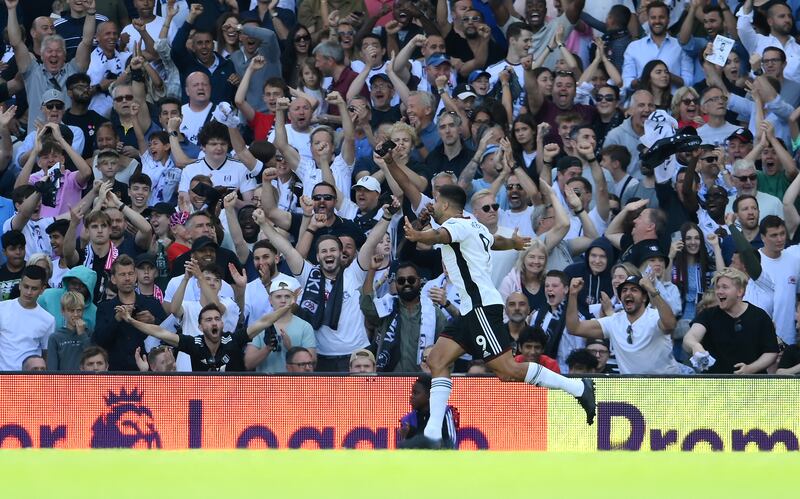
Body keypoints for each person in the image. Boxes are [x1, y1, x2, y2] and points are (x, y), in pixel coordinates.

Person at [399, 184, 595, 449]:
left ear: (445, 205)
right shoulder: (476, 226)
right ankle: (433, 436)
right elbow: (495, 241)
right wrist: (513, 243)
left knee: (508, 370)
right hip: (472, 310)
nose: (433, 204)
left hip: (481, 308)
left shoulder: (457, 225)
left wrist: (417, 234)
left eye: (435, 200)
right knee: (437, 359)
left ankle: (579, 388)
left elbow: (438, 236)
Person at [118, 302, 292, 372]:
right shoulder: (193, 343)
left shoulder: (233, 339)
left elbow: (263, 322)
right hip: (202, 401)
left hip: (233, 401)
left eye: (217, 319)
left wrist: (288, 306)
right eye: (209, 320)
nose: (214, 323)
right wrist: (132, 321)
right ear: (200, 327)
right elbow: (159, 332)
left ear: (222, 324)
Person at [566, 274, 684, 375]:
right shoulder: (614, 321)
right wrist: (572, 294)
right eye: (624, 290)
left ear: (644, 297)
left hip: (665, 386)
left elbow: (670, 325)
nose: (628, 293)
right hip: (631, 389)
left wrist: (652, 290)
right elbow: (574, 328)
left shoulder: (655, 316)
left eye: (634, 290)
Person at [683, 267, 779, 374]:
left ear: (740, 291)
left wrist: (751, 369)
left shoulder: (759, 316)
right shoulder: (708, 314)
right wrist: (695, 345)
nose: (719, 291)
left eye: (725, 287)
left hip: (751, 384)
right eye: (717, 287)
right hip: (715, 384)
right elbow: (690, 337)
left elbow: (771, 352)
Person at [93, 255, 167, 371]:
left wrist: (154, 321)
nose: (127, 278)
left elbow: (169, 336)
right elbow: (99, 341)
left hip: (148, 372)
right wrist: (116, 319)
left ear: (136, 276)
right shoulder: (105, 307)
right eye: (122, 274)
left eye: (131, 274)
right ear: (113, 279)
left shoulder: (152, 304)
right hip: (115, 373)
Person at [244, 276, 316, 373]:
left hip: (295, 385)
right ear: (270, 300)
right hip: (267, 385)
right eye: (278, 296)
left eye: (287, 296)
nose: (283, 300)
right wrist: (268, 348)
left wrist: (291, 349)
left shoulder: (305, 327)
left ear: (293, 299)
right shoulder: (259, 326)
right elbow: (248, 364)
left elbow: (312, 363)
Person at [0, 266, 55, 371]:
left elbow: (46, 354)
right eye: (26, 286)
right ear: (20, 285)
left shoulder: (48, 320)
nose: (29, 292)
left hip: (30, 380)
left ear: (42, 289)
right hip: (3, 376)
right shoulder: (2, 309)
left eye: (34, 288)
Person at [398, 375, 459, 450]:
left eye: (416, 393)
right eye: (411, 393)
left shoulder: (444, 412)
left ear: (429, 395)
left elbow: (451, 443)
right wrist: (410, 433)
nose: (411, 396)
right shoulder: (408, 419)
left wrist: (413, 434)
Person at [46, 290, 92, 371]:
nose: (76, 314)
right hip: (63, 382)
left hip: (86, 382)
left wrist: (82, 335)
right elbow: (52, 369)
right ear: (63, 311)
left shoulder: (89, 334)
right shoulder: (55, 337)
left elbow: (92, 358)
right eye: (71, 311)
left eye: (79, 310)